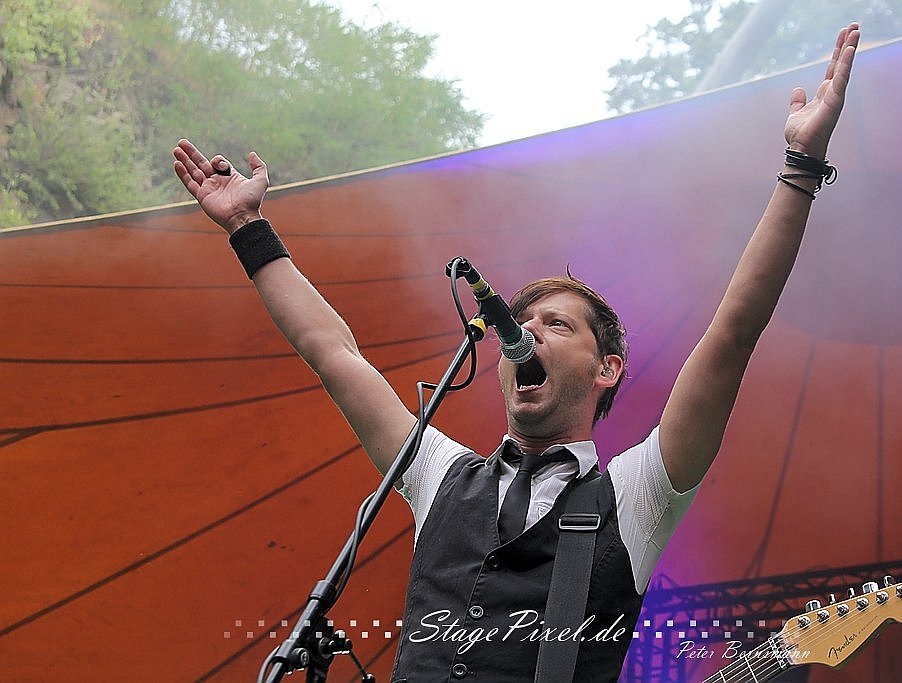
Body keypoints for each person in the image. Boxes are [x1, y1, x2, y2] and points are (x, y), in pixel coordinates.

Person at [173, 22, 859, 682]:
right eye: (520, 323)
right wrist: (248, 227)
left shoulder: (637, 494)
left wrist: (801, 166)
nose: (526, 334)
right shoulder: (440, 475)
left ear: (607, 369)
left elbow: (733, 332)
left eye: (556, 325)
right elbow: (334, 353)